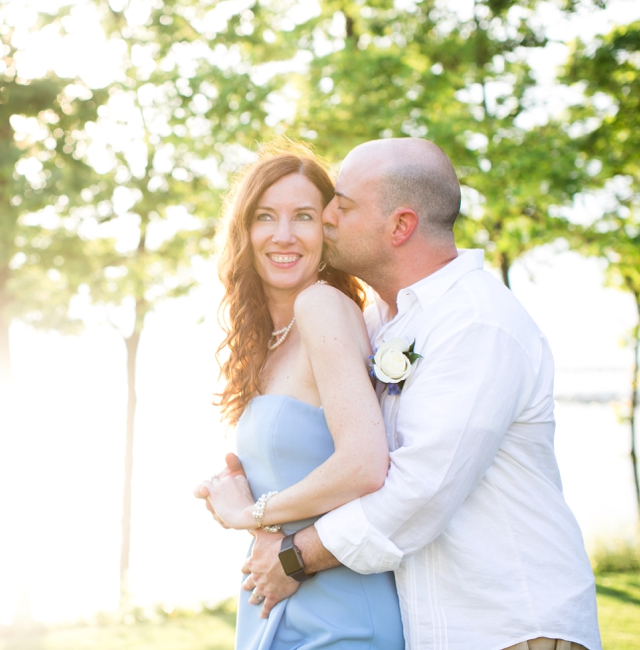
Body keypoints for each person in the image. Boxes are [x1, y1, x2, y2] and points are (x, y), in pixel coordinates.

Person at [201, 138, 601, 650]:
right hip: (431, 625)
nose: (327, 220)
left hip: (510, 628)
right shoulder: (383, 321)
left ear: (400, 226)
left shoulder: (475, 323)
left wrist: (286, 549)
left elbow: (417, 491)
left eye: (340, 207)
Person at [196, 146, 405, 649]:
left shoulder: (321, 307)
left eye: (304, 217)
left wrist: (251, 513)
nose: (284, 235)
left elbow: (364, 465)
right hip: (284, 608)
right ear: (244, 230)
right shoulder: (267, 340)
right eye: (266, 216)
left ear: (327, 230)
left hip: (342, 618)